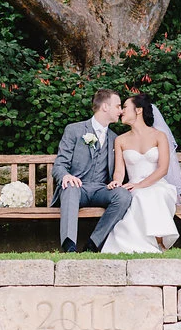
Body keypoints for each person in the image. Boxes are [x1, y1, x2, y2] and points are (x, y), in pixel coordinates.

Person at [51, 88, 132, 253]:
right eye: (118, 106)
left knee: (123, 196)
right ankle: (69, 246)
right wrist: (65, 176)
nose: (121, 111)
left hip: (101, 189)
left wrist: (116, 183)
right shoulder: (74, 130)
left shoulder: (115, 138)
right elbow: (59, 164)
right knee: (70, 187)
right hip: (77, 188)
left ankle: (93, 244)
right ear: (105, 107)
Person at [98, 92, 180, 254]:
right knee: (137, 196)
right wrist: (117, 182)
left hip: (158, 184)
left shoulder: (159, 136)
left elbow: (163, 169)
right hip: (133, 186)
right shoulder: (120, 140)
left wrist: (140, 185)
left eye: (125, 107)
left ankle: (158, 241)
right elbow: (119, 170)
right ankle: (150, 244)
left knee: (152, 193)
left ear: (138, 110)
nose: (121, 111)